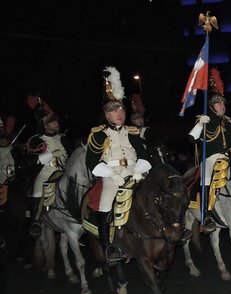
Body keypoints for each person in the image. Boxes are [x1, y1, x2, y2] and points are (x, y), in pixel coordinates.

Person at [85, 66, 151, 264]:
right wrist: (111, 174)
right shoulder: (99, 133)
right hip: (112, 175)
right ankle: (108, 247)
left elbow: (144, 154)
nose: (120, 113)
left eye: (121, 109)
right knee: (105, 206)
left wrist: (139, 171)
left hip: (135, 172)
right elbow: (91, 160)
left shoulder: (132, 131)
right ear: (107, 115)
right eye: (114, 111)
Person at [188, 68, 231, 233]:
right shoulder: (205, 120)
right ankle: (206, 216)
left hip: (229, 158)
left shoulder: (229, 122)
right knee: (205, 179)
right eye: (218, 103)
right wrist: (199, 125)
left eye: (223, 103)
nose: (222, 105)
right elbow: (192, 139)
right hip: (211, 159)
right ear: (211, 106)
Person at [27, 111, 74, 237]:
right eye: (53, 122)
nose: (57, 124)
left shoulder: (63, 138)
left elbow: (72, 155)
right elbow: (33, 161)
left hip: (64, 171)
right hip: (46, 171)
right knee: (37, 191)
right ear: (45, 125)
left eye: (57, 121)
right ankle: (35, 222)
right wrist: (51, 155)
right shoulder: (36, 139)